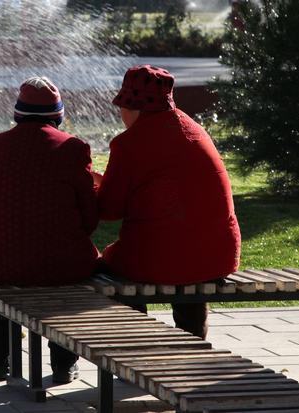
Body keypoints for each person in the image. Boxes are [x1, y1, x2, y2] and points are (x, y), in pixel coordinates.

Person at [92, 65, 241, 339]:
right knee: (188, 264)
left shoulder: (129, 143)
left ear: (131, 107)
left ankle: (140, 341)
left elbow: (109, 210)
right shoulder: (193, 129)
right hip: (217, 256)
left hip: (157, 259)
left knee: (109, 270)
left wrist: (94, 187)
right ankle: (193, 338)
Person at [0, 76, 99, 382]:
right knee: (66, 277)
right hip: (63, 264)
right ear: (58, 114)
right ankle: (64, 363)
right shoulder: (74, 148)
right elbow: (90, 217)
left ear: (17, 113)